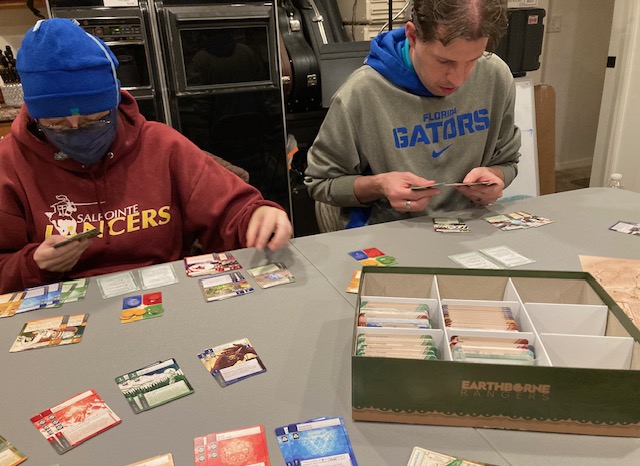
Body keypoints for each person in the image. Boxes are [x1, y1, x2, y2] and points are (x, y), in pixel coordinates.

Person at [0, 18, 292, 294]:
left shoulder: (163, 144)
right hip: (61, 301)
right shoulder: (9, 163)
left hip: (167, 291)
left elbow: (231, 210)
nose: (76, 130)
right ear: (35, 117)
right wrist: (32, 264)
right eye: (57, 125)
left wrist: (256, 215)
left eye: (94, 120)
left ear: (114, 103)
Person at [304, 0, 521, 229]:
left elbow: (507, 162)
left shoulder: (495, 76)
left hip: (471, 228)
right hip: (390, 231)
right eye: (444, 61)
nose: (457, 79)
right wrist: (379, 185)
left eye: (472, 61)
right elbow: (320, 182)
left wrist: (496, 177)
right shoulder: (362, 93)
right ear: (412, 36)